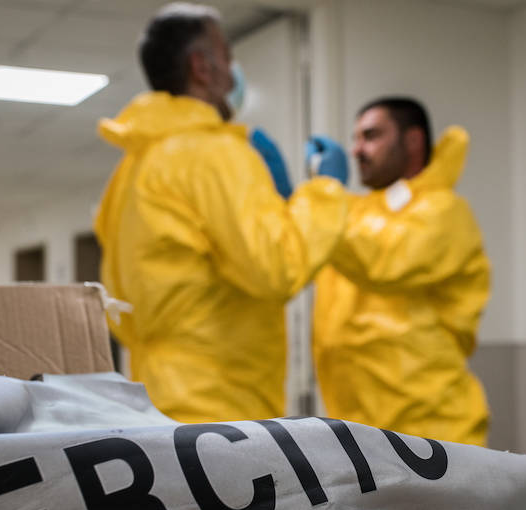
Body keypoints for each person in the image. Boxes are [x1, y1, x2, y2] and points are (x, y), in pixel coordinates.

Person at [94, 2, 349, 422]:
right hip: (220, 407)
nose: (234, 69)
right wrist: (325, 191)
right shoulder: (215, 153)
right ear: (202, 66)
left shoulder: (134, 166)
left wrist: (277, 206)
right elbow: (275, 266)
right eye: (227, 56)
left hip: (154, 396)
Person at [313, 98, 491, 446]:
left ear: (412, 141)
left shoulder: (443, 211)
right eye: (356, 138)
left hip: (432, 432)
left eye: (371, 136)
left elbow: (379, 259)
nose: (356, 150)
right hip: (362, 435)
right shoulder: (360, 212)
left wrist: (325, 195)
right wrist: (294, 198)